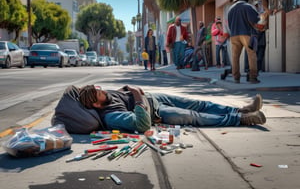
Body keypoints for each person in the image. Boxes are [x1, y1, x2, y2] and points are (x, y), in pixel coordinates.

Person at [79, 84, 266, 133]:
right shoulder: (110, 117)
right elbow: (142, 125)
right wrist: (136, 94)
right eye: (99, 93)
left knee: (199, 103)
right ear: (96, 104)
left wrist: (127, 90)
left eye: (99, 89)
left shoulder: (107, 96)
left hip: (156, 97)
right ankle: (243, 119)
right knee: (195, 116)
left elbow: (119, 96)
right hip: (159, 114)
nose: (102, 91)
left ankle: (241, 110)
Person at [228, 0, 261, 84]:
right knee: (251, 54)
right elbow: (254, 20)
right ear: (247, 0)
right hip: (247, 33)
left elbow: (229, 23)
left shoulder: (231, 8)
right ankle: (252, 77)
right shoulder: (248, 6)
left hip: (234, 35)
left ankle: (236, 77)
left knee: (235, 56)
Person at [244, 0, 267, 75]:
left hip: (261, 34)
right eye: (256, 6)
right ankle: (248, 68)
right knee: (251, 52)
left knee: (260, 52)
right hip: (253, 34)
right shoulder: (251, 14)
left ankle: (258, 69)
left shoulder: (263, 14)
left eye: (259, 5)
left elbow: (267, 14)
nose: (258, 7)